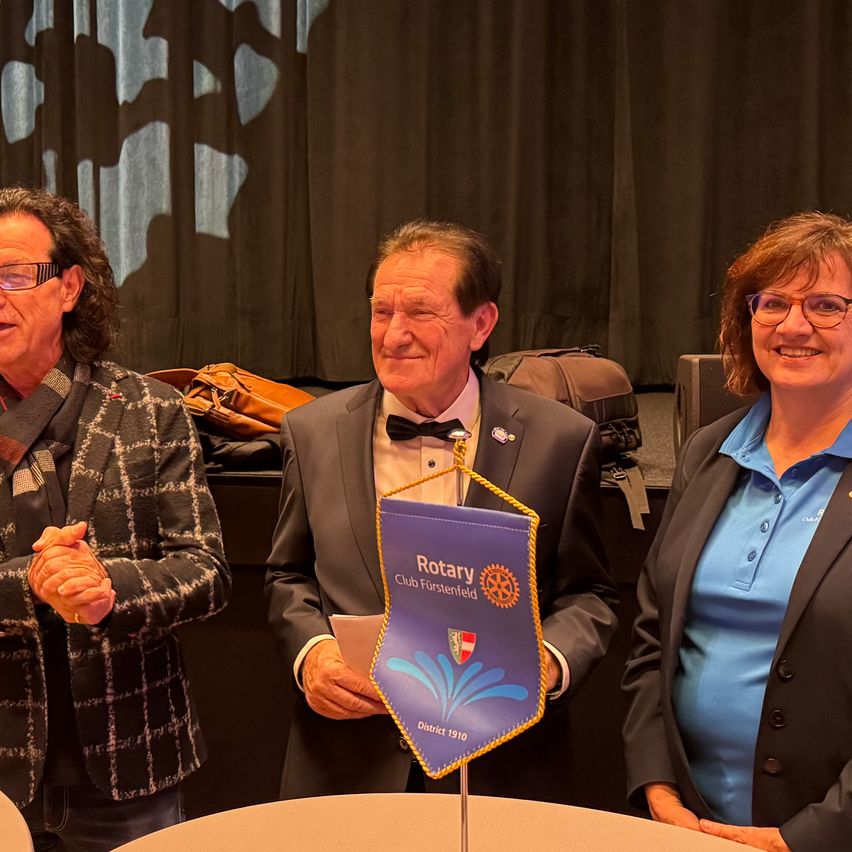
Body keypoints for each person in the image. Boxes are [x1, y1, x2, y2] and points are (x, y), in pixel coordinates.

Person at [265, 219, 618, 802]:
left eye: (420, 312)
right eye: (382, 312)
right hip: (346, 772)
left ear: (481, 324)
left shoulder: (560, 440)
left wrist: (549, 664)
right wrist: (312, 654)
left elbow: (590, 595)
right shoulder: (312, 432)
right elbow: (287, 576)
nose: (394, 334)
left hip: (503, 769)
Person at [0, 186, 230, 851]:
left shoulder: (150, 410)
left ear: (69, 286)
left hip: (132, 762)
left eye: (15, 274)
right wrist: (38, 581)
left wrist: (107, 590)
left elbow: (208, 571)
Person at [622, 211, 852, 852]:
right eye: (773, 301)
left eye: (827, 305)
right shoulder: (707, 453)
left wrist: (809, 836)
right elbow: (652, 637)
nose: (794, 325)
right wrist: (655, 783)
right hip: (686, 824)